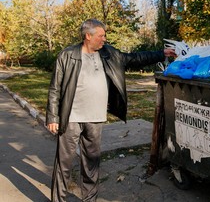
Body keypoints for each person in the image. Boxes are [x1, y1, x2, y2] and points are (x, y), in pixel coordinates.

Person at [46, 18, 176, 202]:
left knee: (91, 163)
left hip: (95, 118)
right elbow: (55, 88)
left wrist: (161, 53)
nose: (104, 39)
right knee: (64, 163)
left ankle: (89, 199)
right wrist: (52, 116)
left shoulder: (109, 53)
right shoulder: (67, 55)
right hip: (71, 117)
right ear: (88, 36)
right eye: (101, 35)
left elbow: (134, 58)